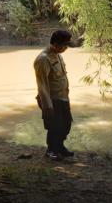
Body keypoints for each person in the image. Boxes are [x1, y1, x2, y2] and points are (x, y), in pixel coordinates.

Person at [34, 30, 75, 160]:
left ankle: (60, 147)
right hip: (52, 99)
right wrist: (48, 106)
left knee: (66, 124)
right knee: (55, 126)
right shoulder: (43, 59)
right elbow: (42, 85)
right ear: (56, 44)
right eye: (64, 45)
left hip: (63, 97)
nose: (66, 48)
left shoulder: (57, 55)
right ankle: (51, 150)